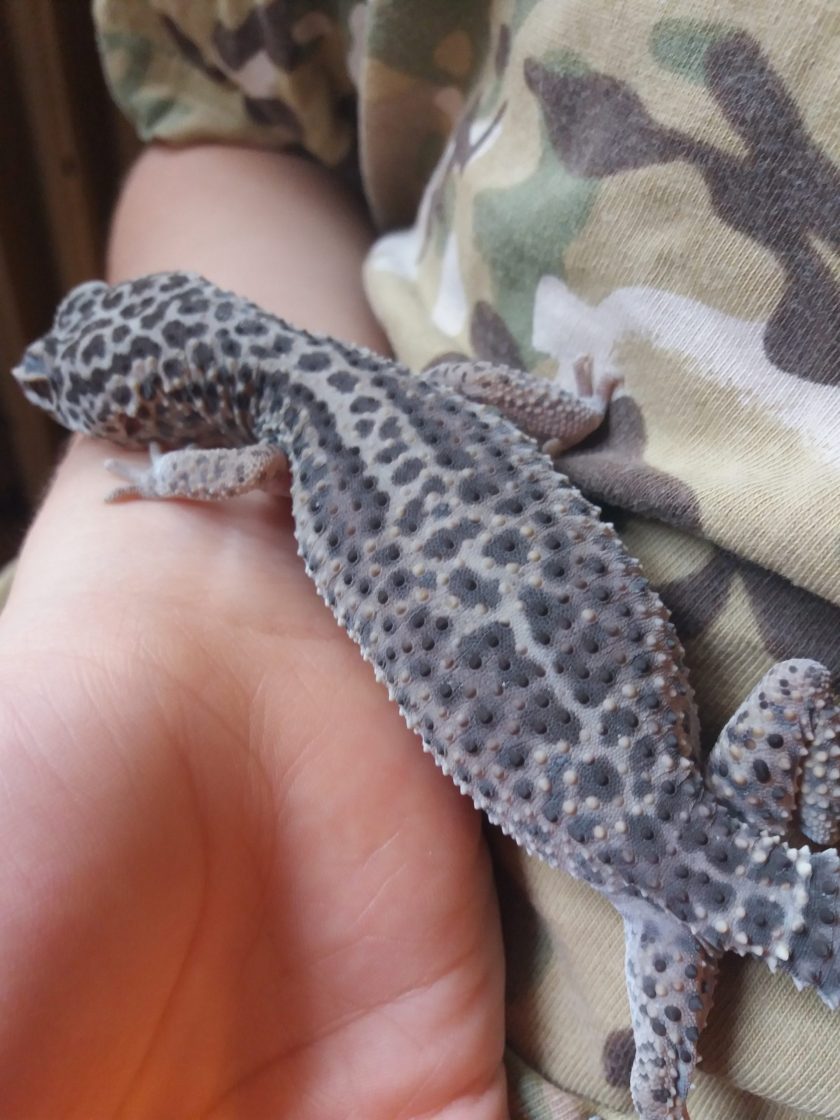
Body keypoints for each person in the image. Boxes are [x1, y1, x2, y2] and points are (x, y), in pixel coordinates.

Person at [0, 3, 837, 1116]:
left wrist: (156, 490)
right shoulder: (423, 391)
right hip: (682, 809)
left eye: (75, 396)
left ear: (174, 412)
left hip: (654, 873)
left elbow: (220, 472)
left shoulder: (268, 462)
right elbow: (543, 413)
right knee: (800, 690)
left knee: (660, 1090)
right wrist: (578, 413)